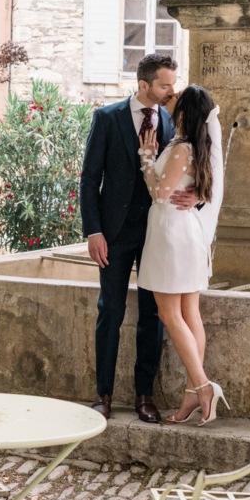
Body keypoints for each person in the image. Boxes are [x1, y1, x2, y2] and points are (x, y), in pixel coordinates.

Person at [79, 53, 198, 423]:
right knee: (109, 312)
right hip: (113, 235)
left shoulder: (172, 121)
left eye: (173, 83)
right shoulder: (107, 118)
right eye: (165, 84)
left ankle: (145, 395)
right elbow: (88, 179)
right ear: (143, 84)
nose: (171, 90)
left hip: (158, 235)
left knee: (154, 316)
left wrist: (200, 195)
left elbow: (198, 166)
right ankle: (103, 395)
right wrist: (94, 230)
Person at [137, 83, 225, 425]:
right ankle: (192, 393)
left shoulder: (182, 147)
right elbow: (194, 187)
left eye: (176, 99)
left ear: (185, 111)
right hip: (186, 230)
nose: (170, 99)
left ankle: (202, 386)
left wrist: (146, 158)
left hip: (171, 233)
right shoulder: (195, 145)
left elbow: (159, 194)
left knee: (168, 311)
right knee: (190, 311)